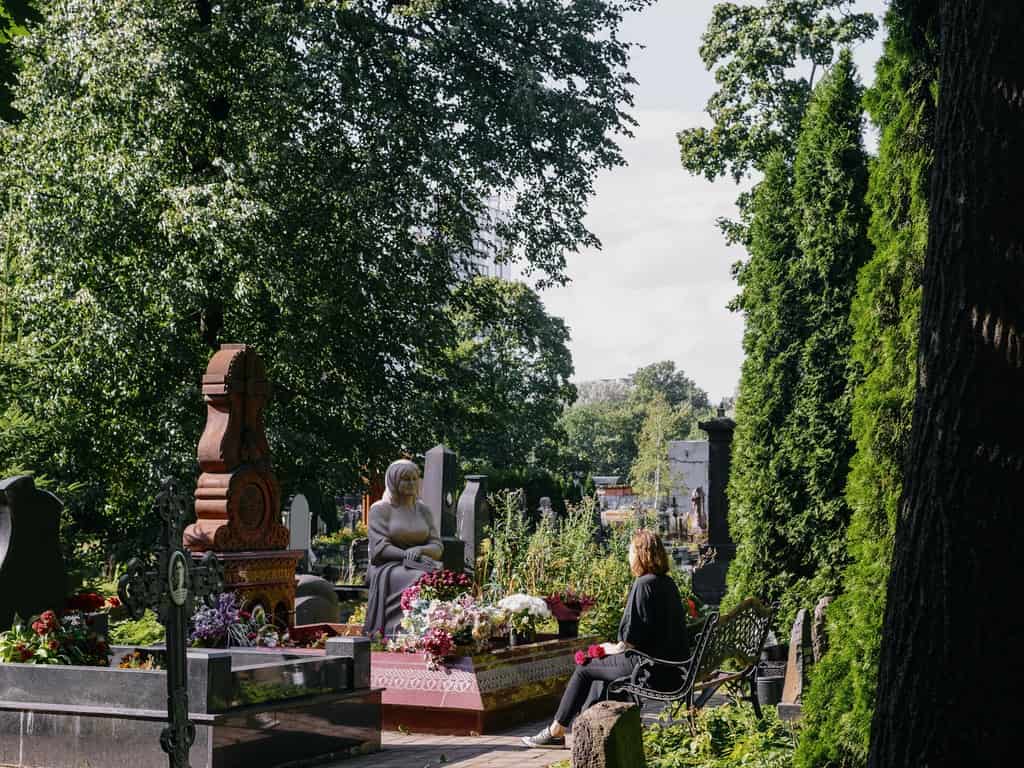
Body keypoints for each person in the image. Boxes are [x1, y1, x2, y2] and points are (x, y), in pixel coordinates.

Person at [522, 529, 689, 749]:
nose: (628, 556)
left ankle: (556, 730)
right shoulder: (666, 583)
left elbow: (630, 641)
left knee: (585, 666)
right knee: (599, 671)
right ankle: (590, 732)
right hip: (670, 667)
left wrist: (607, 648)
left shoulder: (643, 584)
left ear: (641, 554)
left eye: (630, 551)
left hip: (649, 668)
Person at [362, 459, 442, 636]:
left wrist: (420, 551)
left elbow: (437, 546)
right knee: (420, 578)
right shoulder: (380, 509)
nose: (412, 483)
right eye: (406, 479)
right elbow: (379, 549)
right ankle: (401, 632)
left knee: (443, 577)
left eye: (415, 479)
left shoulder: (423, 511)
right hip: (388, 566)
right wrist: (406, 555)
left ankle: (434, 631)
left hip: (420, 561)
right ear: (393, 481)